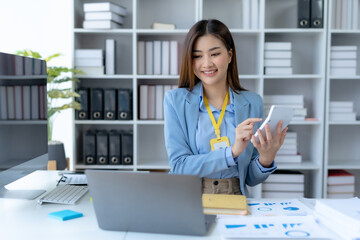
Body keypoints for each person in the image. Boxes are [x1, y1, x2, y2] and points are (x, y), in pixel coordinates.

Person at [163, 19, 288, 196]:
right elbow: (179, 166)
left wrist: (266, 159)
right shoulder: (175, 101)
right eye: (197, 56)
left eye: (214, 54)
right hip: (191, 198)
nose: (206, 64)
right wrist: (231, 153)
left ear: (230, 55)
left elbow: (251, 179)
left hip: (236, 197)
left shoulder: (252, 102)